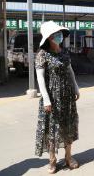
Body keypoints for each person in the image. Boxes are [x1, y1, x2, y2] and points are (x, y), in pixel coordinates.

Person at [34, 21, 80, 174]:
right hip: (52, 96)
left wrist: (76, 87)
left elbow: (70, 70)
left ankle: (68, 157)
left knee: (68, 125)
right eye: (55, 34)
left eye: (59, 33)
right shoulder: (42, 54)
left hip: (67, 95)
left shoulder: (64, 52)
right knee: (52, 128)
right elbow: (40, 78)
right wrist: (46, 99)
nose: (59, 36)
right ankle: (52, 160)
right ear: (48, 38)